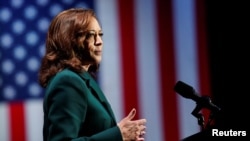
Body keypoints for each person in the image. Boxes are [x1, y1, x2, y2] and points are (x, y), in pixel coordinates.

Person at [38, 8, 147, 141]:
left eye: (100, 34)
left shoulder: (81, 79)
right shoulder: (68, 81)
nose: (99, 41)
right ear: (69, 40)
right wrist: (118, 135)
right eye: (90, 35)